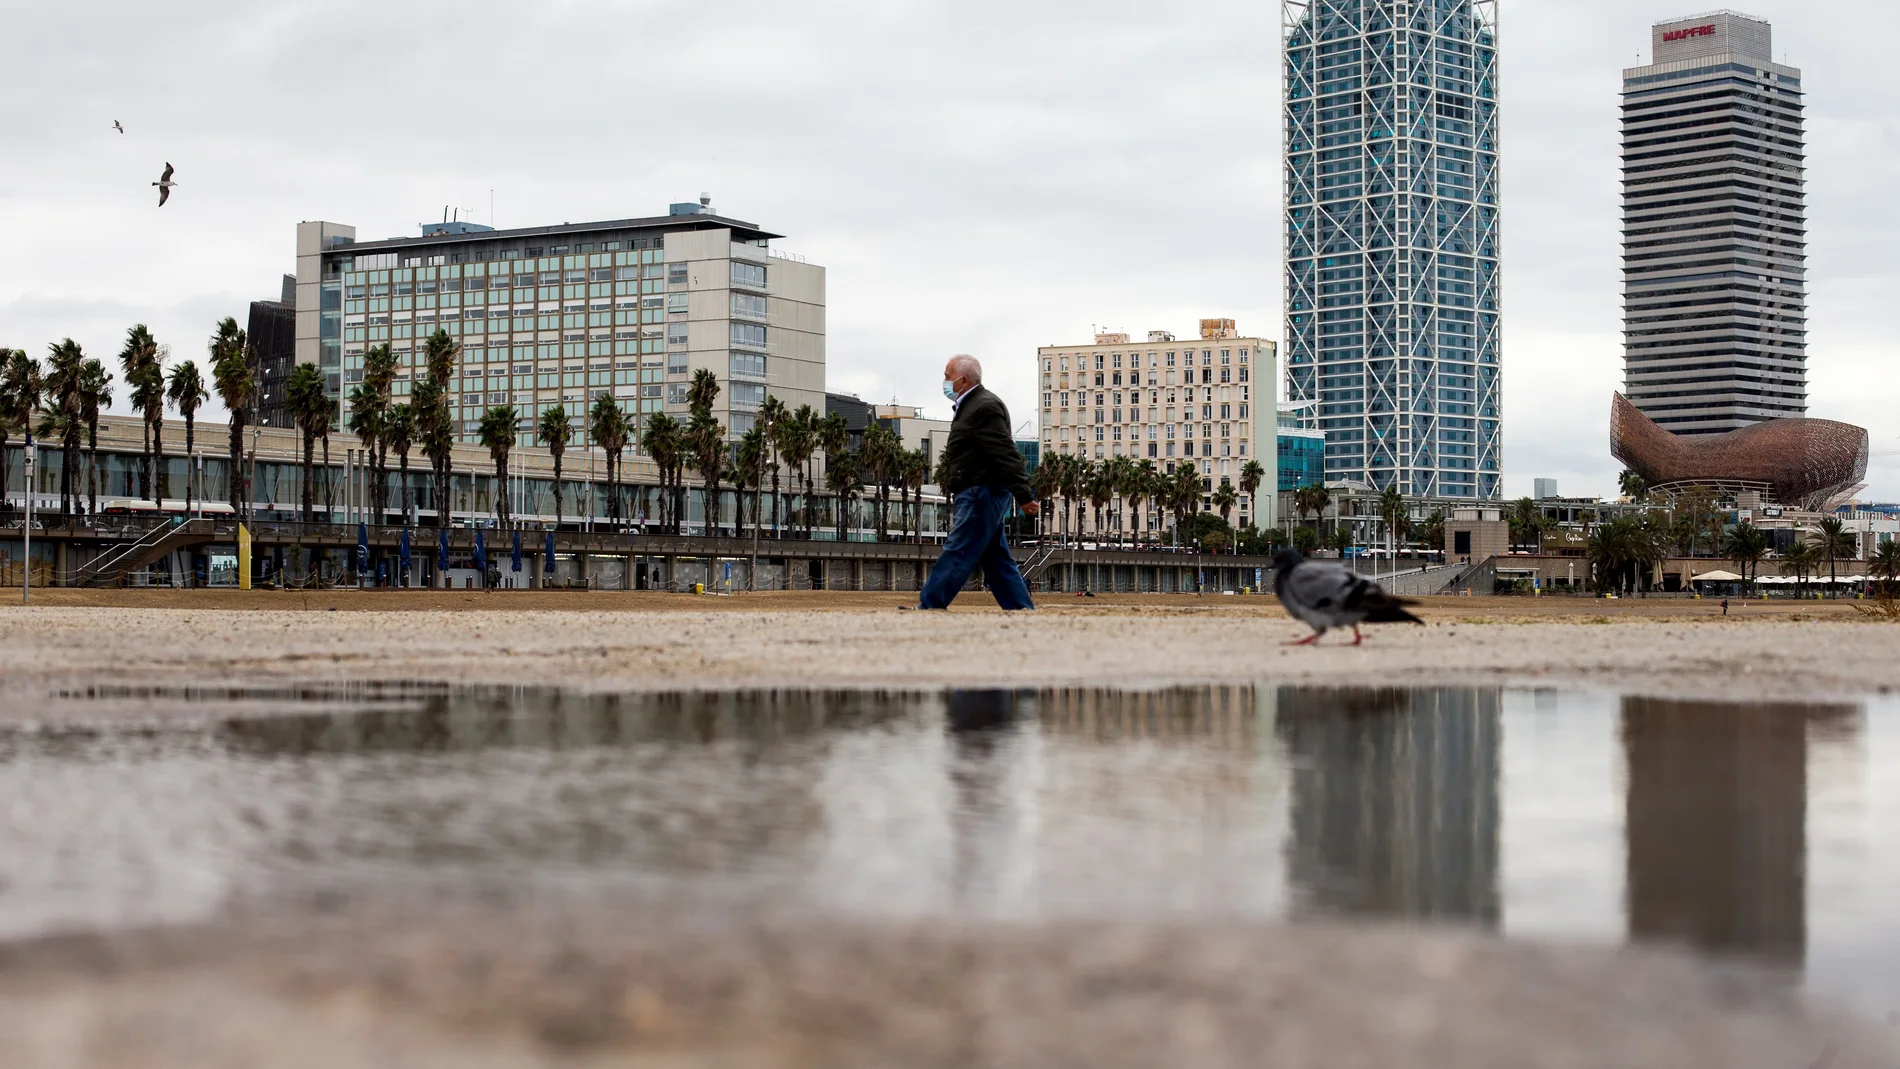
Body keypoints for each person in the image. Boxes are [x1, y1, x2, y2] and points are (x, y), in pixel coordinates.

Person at [912, 355, 1038, 611]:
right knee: (995, 558)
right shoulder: (972, 405)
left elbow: (1004, 452)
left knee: (959, 549)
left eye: (947, 376)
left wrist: (1023, 495)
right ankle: (1020, 608)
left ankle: (931, 604)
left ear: (963, 380)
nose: (945, 381)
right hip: (979, 490)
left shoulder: (984, 407)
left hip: (982, 491)